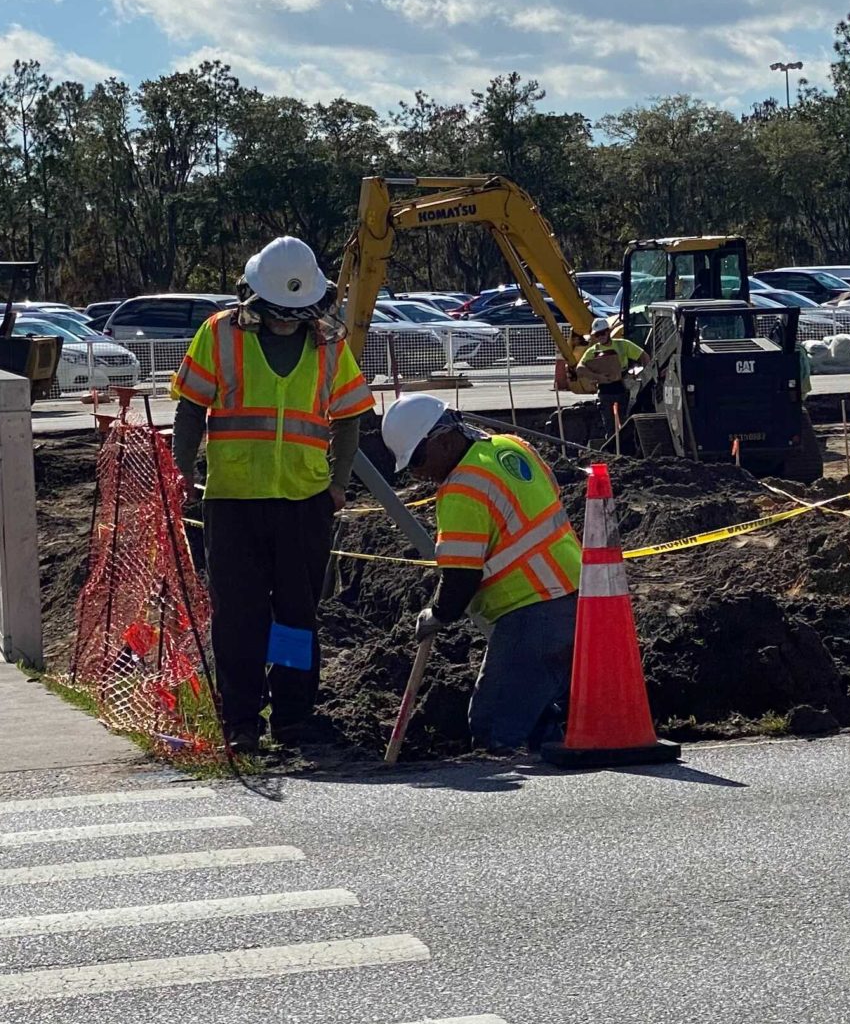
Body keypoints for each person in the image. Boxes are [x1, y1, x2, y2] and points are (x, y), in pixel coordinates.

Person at [170, 236, 373, 751]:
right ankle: (241, 719)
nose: (287, 321)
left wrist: (337, 484)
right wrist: (180, 473)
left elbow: (350, 416)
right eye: (279, 312)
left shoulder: (329, 343)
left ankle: (291, 715)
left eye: (297, 312)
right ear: (254, 299)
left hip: (304, 502)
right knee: (238, 616)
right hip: (234, 500)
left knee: (295, 616)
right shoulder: (218, 334)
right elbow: (191, 408)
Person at [384, 393, 583, 754]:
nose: (417, 473)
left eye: (416, 460)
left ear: (443, 440)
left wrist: (438, 613)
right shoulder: (512, 446)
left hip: (533, 610)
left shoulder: (462, 487)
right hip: (576, 594)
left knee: (493, 725)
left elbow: (461, 575)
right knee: (534, 715)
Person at [572, 315, 644, 443]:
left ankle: (626, 449)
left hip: (623, 389)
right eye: (597, 335)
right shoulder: (593, 351)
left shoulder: (623, 345)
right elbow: (580, 369)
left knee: (625, 423)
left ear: (608, 331)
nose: (601, 337)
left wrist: (640, 374)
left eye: (603, 333)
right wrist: (598, 377)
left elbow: (644, 357)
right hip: (605, 391)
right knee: (610, 425)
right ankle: (613, 450)